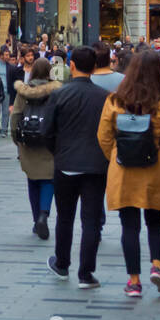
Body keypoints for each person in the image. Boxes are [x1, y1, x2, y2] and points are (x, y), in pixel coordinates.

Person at [96, 49, 160, 298]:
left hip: (123, 170)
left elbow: (103, 137)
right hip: (155, 168)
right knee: (155, 223)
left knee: (129, 225)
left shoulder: (115, 101)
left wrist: (116, 156)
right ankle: (157, 266)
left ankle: (133, 281)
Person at [42, 46, 112, 288]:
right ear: (94, 68)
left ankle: (62, 264)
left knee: (65, 216)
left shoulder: (60, 95)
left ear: (71, 65)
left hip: (65, 164)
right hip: (96, 165)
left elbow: (46, 132)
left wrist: (58, 152)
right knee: (91, 220)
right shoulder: (104, 97)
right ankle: (86, 273)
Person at [11, 58, 61, 239]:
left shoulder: (23, 91)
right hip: (49, 140)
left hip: (28, 140)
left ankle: (35, 221)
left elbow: (15, 115)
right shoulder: (57, 90)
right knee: (48, 179)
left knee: (32, 180)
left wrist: (17, 139)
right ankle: (43, 214)